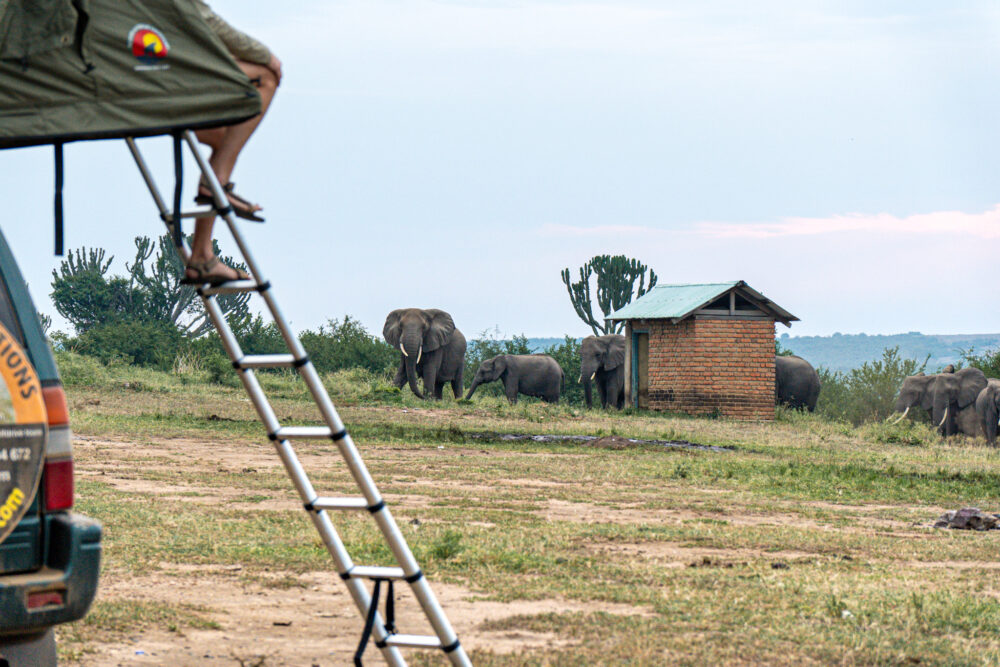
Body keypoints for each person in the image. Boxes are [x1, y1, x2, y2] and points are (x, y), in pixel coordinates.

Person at [183, 1, 282, 285]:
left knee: (225, 135)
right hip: (152, 78)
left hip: (122, 73)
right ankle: (217, 183)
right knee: (266, 75)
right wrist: (267, 56)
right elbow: (201, 18)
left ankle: (202, 253)